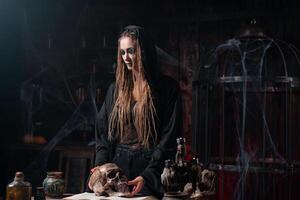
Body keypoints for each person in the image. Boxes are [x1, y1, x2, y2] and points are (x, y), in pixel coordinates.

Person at [89, 25, 182, 198]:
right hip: (117, 169)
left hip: (151, 164)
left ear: (144, 51)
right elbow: (102, 132)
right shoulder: (115, 90)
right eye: (123, 52)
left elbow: (170, 136)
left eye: (131, 51)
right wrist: (101, 167)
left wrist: (149, 175)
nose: (126, 58)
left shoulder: (168, 88)